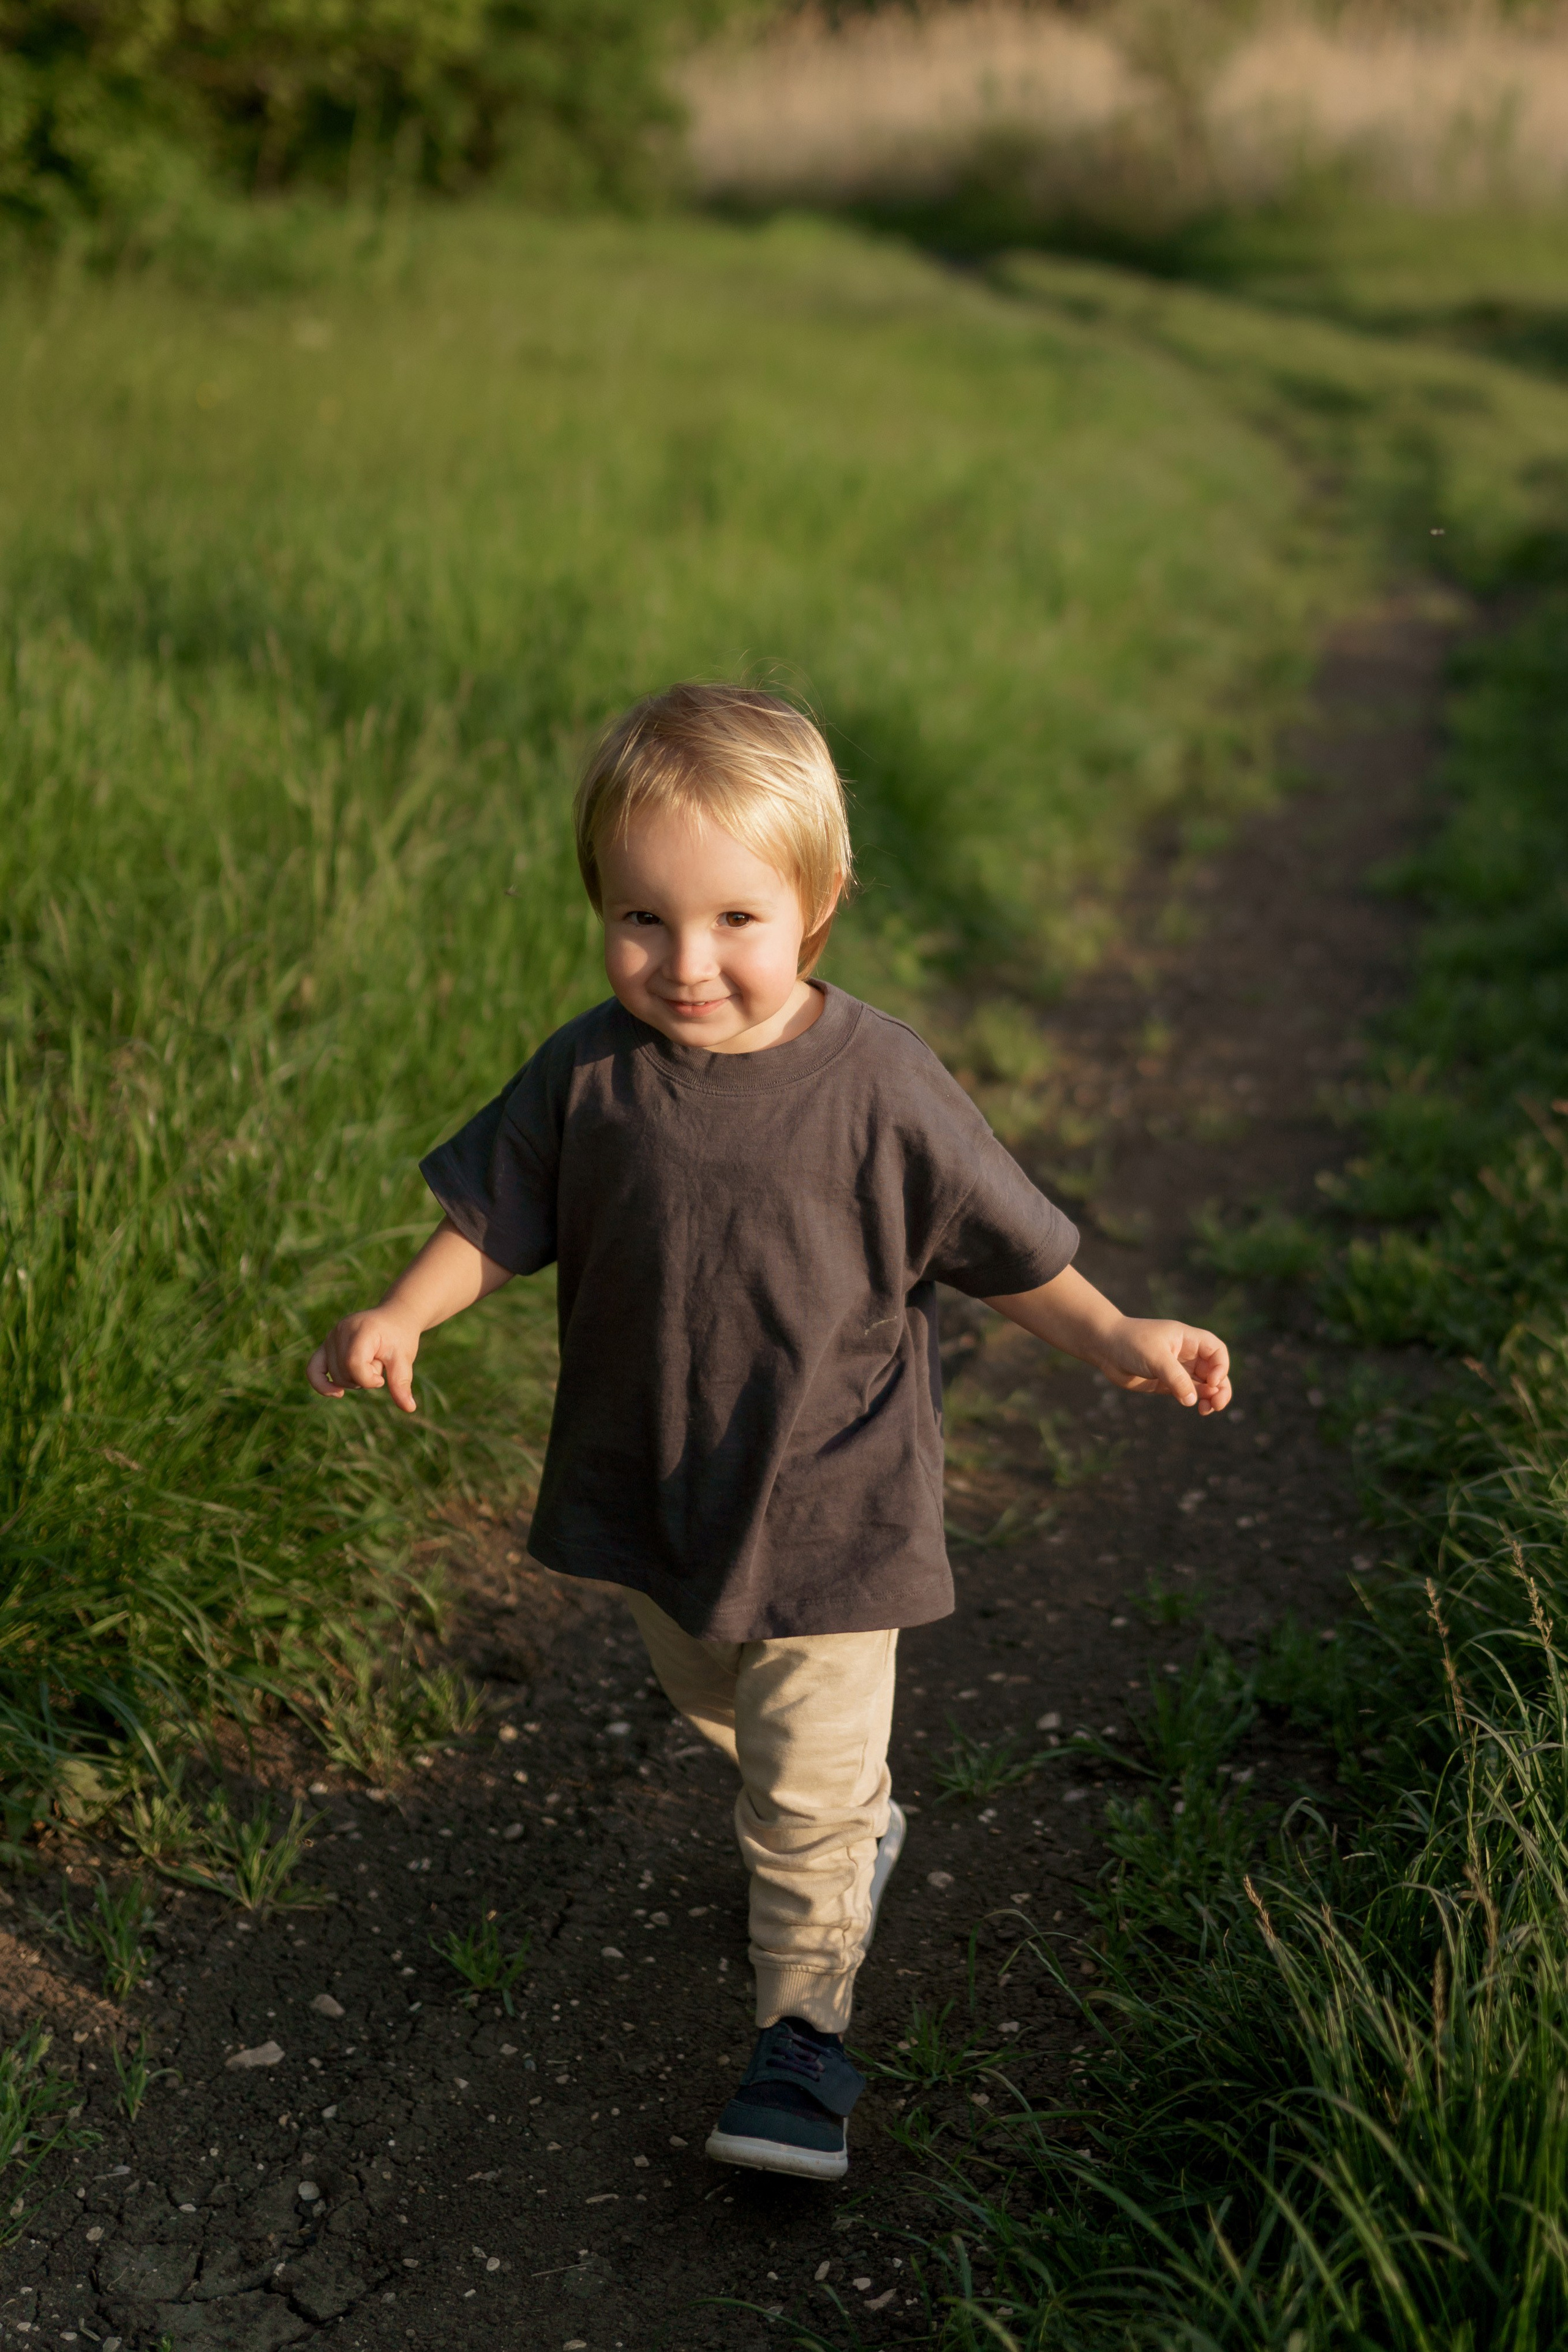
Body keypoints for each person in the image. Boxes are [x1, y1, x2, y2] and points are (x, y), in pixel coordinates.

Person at [306, 684, 1232, 2182]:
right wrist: (405, 1313)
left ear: (816, 910)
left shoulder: (880, 1084)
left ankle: (799, 2038)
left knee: (793, 1795)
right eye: (639, 919)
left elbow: (1003, 1248)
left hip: (834, 1504)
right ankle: (846, 1822)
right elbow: (493, 1218)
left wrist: (1117, 1331)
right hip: (664, 1490)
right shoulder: (586, 1073)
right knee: (720, 1706)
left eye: (734, 919)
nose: (685, 965)